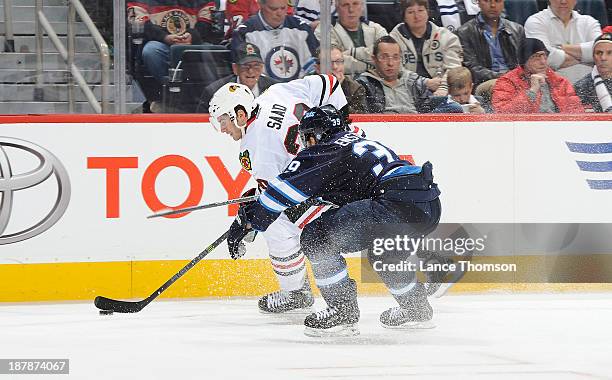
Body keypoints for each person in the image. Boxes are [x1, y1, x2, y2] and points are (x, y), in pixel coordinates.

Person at [226, 105, 442, 336]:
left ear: (315, 135)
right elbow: (345, 190)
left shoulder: (325, 148)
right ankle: (417, 309)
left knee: (317, 238)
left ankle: (342, 310)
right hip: (427, 204)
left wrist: (248, 221)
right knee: (385, 255)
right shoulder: (354, 141)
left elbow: (282, 191)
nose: (306, 145)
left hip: (392, 205)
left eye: (306, 138)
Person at [207, 74, 349, 314]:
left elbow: (276, 202)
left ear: (240, 115)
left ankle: (295, 292)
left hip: (329, 183)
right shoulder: (276, 92)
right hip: (351, 155)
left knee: (277, 225)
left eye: (223, 120)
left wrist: (248, 222)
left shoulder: (258, 149)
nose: (222, 128)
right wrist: (341, 129)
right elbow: (330, 83)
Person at [231, 0, 319, 82]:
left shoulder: (302, 29)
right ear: (260, 5)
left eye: (283, 8)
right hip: (263, 93)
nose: (279, 13)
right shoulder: (244, 32)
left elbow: (317, 63)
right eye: (273, 9)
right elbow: (243, 73)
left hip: (301, 92)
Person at [457, 0, 525, 103]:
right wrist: (503, 77)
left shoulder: (517, 29)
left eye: (497, 1)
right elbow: (471, 68)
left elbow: (525, 63)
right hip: (485, 82)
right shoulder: (464, 32)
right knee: (501, 86)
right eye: (487, 1)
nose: (493, 5)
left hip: (515, 79)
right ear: (478, 2)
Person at [389, 0, 463, 96]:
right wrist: (424, 83)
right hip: (406, 91)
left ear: (428, 12)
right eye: (411, 12)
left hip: (443, 90)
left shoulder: (447, 37)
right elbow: (395, 70)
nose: (416, 16)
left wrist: (443, 87)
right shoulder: (393, 39)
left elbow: (454, 68)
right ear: (404, 16)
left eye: (420, 10)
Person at [492, 38, 584, 113]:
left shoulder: (560, 82)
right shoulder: (507, 82)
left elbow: (577, 113)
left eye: (544, 56)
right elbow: (502, 113)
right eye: (536, 57)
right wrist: (532, 92)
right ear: (524, 61)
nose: (543, 62)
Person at [524, 0, 602, 83]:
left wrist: (560, 47)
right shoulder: (535, 21)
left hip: (592, 84)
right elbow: (545, 58)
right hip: (553, 87)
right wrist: (585, 57)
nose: (563, 1)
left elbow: (601, 51)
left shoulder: (589, 22)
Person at [356, 36, 437, 113]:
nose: (390, 63)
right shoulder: (364, 85)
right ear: (374, 59)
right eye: (384, 57)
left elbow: (427, 113)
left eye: (395, 57)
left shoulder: (414, 83)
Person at [314, 0, 388, 76]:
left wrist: (352, 52)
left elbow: (387, 54)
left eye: (355, 4)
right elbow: (333, 63)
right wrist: (373, 66)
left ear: (362, 6)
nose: (351, 10)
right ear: (337, 8)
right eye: (345, 5)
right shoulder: (324, 30)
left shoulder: (376, 29)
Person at [196, 43, 277, 112]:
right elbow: (201, 123)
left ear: (262, 68)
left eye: (256, 66)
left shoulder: (275, 89)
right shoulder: (214, 92)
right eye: (245, 66)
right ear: (235, 68)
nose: (251, 71)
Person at [315, 46, 368, 113]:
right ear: (317, 68)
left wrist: (337, 90)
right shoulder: (306, 85)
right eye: (328, 63)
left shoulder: (355, 88)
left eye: (339, 61)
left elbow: (359, 117)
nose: (335, 67)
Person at [574, 31, 612, 112]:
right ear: (593, 57)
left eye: (609, 53)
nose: (603, 58)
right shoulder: (581, 87)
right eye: (599, 53)